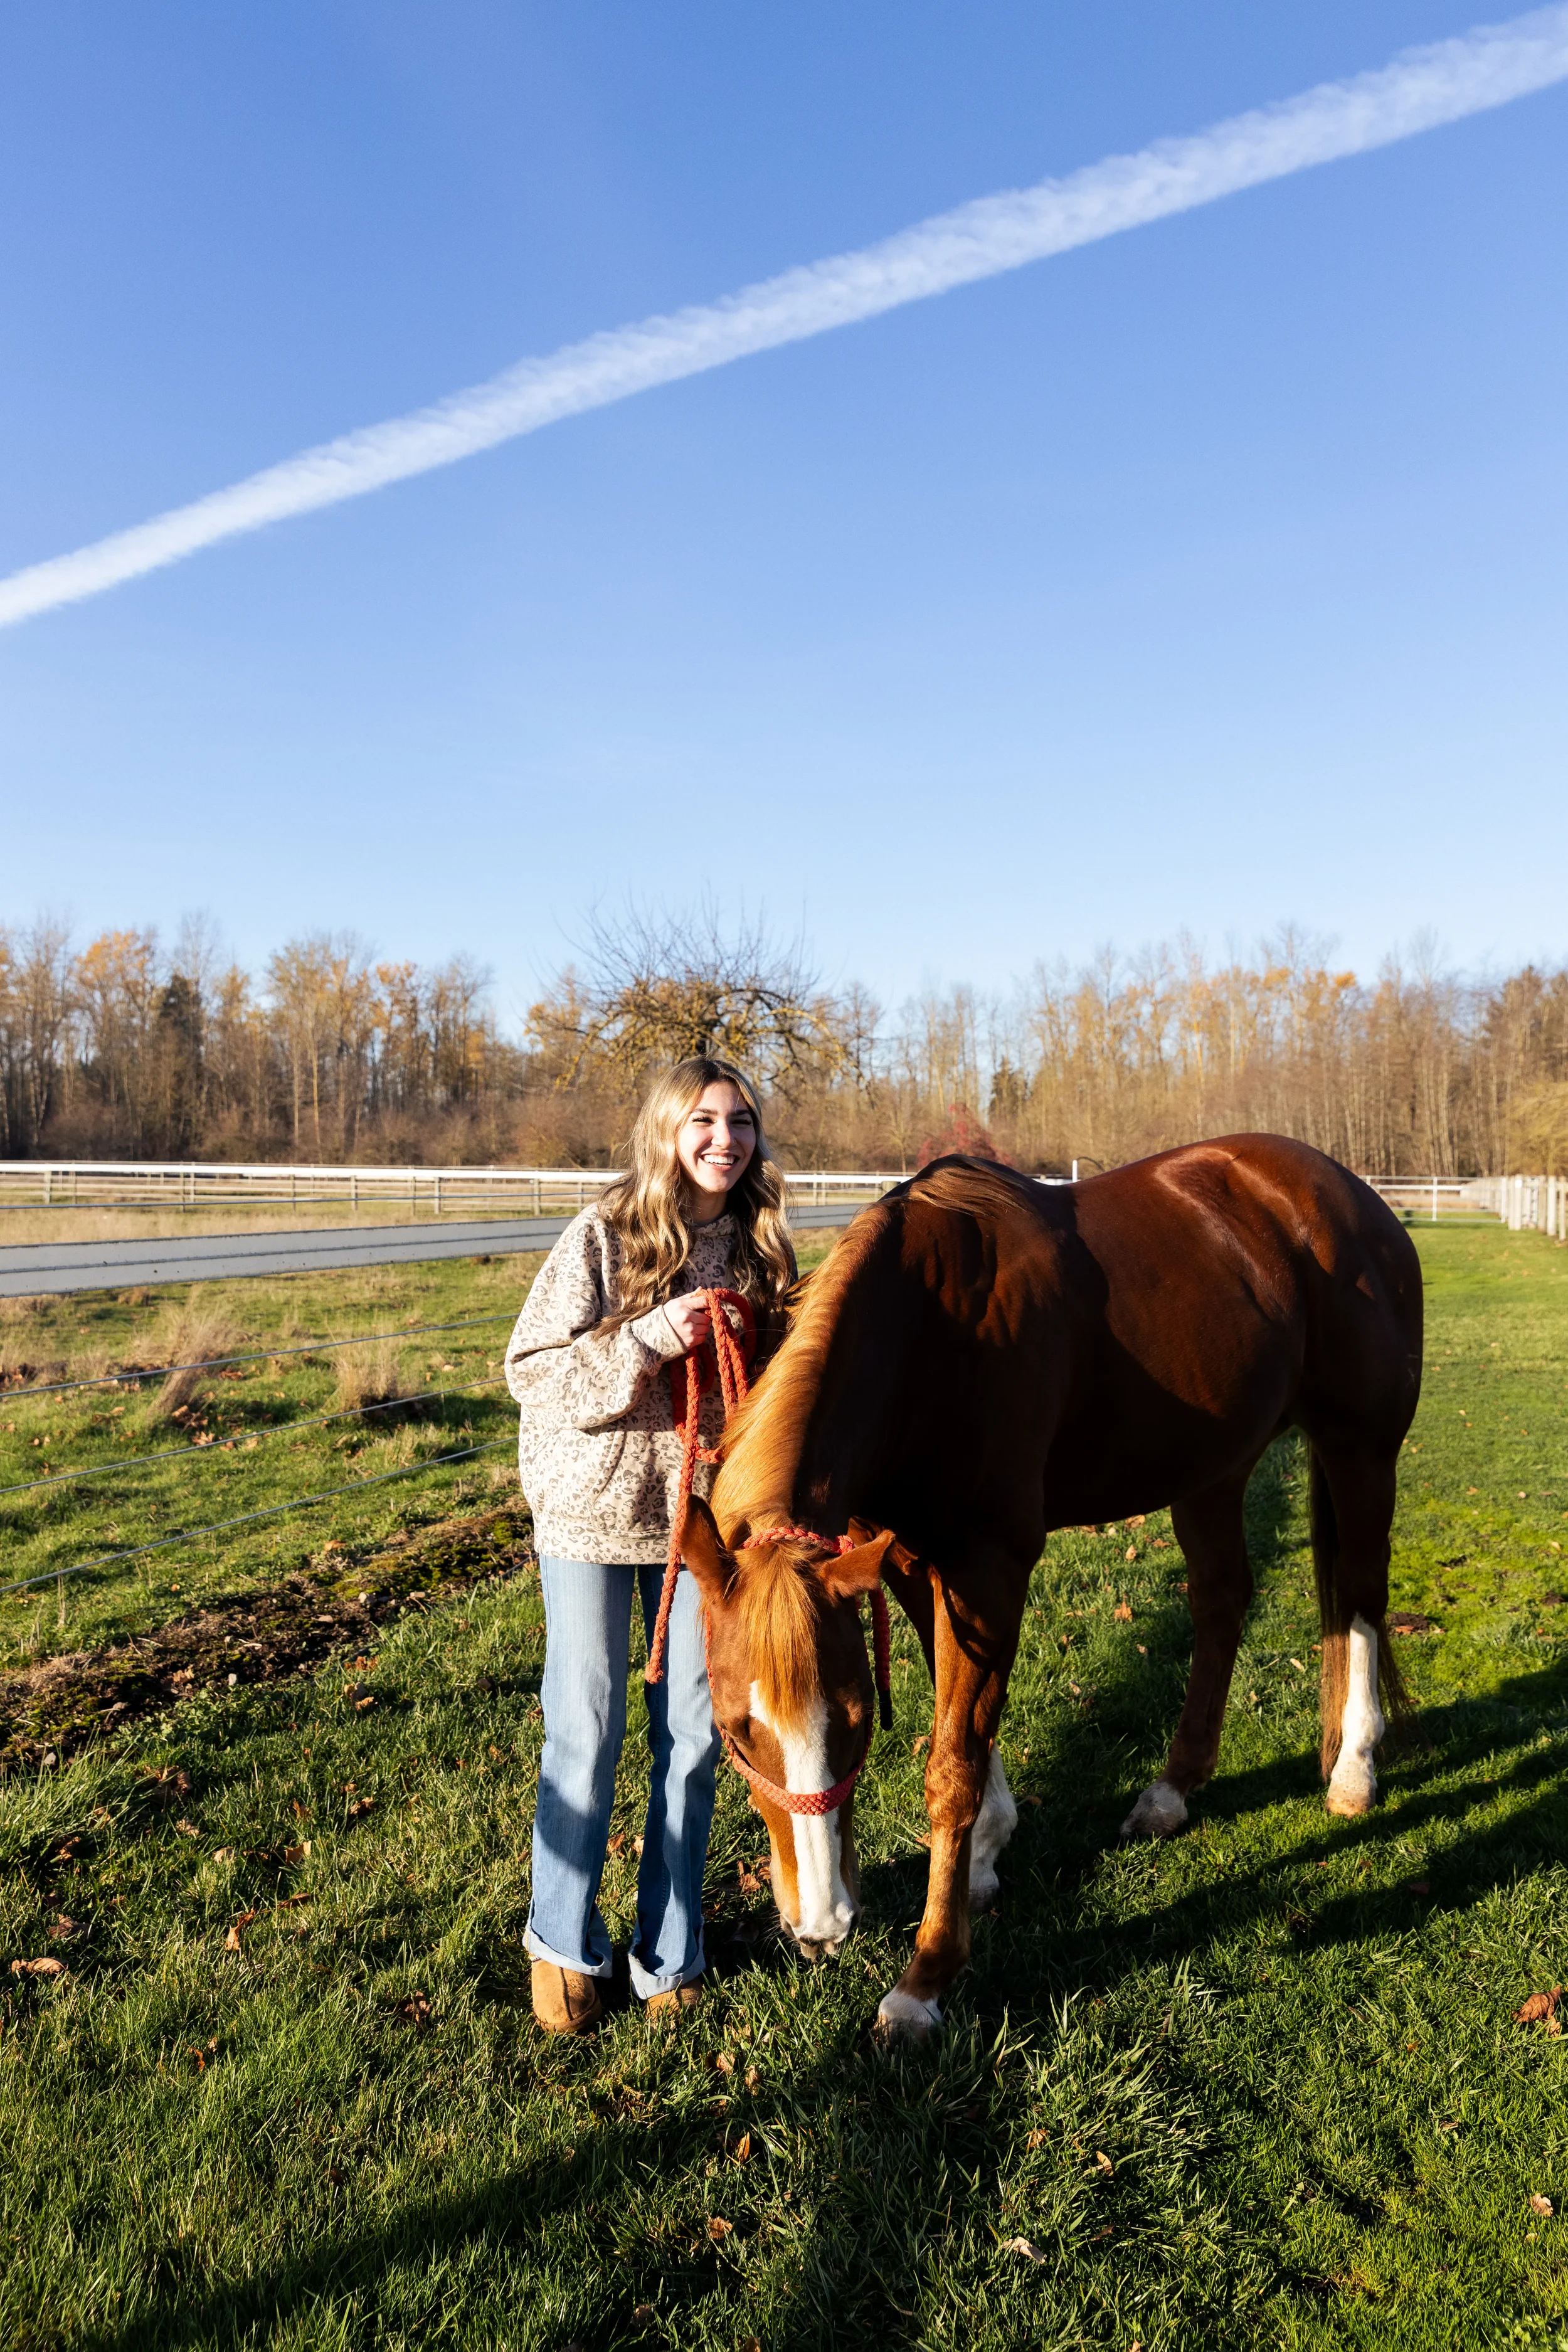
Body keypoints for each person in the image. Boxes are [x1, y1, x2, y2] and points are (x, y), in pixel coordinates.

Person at [504, 1056, 797, 2033]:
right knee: (584, 1726)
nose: (726, 1138)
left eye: (742, 1120)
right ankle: (561, 1940)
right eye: (706, 1120)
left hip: (705, 1531)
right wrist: (646, 1339)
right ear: (669, 1130)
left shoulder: (761, 1249)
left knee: (699, 1737)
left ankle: (670, 1952)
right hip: (591, 1516)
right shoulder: (605, 1235)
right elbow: (530, 1371)